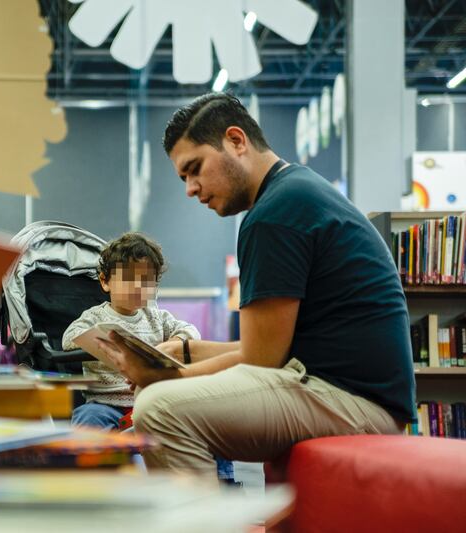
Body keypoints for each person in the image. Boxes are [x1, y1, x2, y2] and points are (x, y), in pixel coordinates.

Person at [97, 93, 416, 477]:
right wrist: (187, 350)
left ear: (236, 140)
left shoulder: (274, 214)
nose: (191, 189)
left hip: (351, 401)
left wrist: (168, 375)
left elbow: (261, 363)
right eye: (184, 178)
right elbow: (266, 348)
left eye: (195, 168)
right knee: (163, 398)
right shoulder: (294, 191)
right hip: (354, 394)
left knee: (159, 408)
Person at [62, 232, 201, 429]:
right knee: (87, 418)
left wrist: (171, 345)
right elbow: (69, 339)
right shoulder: (95, 317)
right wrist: (107, 345)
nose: (138, 287)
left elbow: (190, 330)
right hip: (105, 404)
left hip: (152, 402)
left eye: (146, 281)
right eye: (128, 278)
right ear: (105, 281)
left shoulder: (157, 318)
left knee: (201, 418)